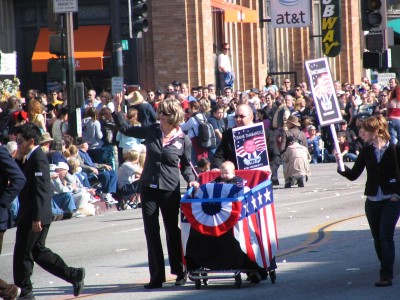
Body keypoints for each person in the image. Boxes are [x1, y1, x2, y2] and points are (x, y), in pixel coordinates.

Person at [113, 94, 199, 289]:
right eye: (159, 113)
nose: (159, 116)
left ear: (173, 116)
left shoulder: (183, 140)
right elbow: (127, 129)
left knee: (171, 230)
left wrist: (192, 181)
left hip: (169, 188)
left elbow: (186, 165)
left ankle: (179, 271)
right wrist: (118, 110)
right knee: (151, 231)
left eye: (163, 114)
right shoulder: (152, 130)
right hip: (148, 186)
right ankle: (157, 276)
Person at [13, 123, 85, 299]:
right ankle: (73, 275)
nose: (18, 144)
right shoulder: (27, 157)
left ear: (31, 141)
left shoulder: (38, 158)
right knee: (38, 252)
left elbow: (41, 190)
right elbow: (19, 178)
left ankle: (25, 290)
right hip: (29, 212)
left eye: (21, 141)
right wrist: (18, 158)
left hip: (34, 215)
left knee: (23, 253)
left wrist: (37, 217)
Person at [336, 115, 400, 287]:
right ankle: (385, 265)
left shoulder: (394, 149)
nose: (362, 132)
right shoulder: (366, 151)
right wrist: (340, 164)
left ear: (377, 131)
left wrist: (397, 195)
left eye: (366, 129)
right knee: (378, 238)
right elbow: (354, 175)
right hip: (372, 200)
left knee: (386, 236)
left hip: (391, 199)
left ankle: (386, 275)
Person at [211, 104, 281, 185]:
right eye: (236, 116)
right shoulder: (228, 135)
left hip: (259, 180)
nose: (238, 119)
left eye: (241, 116)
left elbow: (276, 156)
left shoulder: (266, 133)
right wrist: (217, 168)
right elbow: (218, 156)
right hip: (236, 182)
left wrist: (270, 169)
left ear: (251, 117)